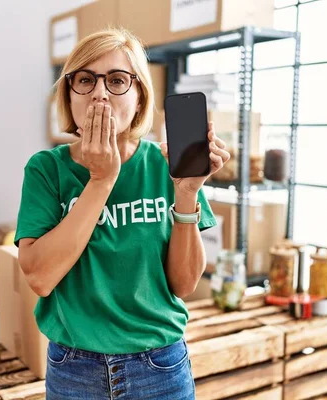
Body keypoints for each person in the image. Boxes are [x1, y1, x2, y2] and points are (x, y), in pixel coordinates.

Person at [14, 28, 230, 399]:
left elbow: (184, 284)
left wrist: (187, 194)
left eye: (116, 80)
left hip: (159, 369)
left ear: (139, 96)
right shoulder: (46, 169)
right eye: (85, 80)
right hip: (74, 371)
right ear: (69, 94)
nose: (99, 92)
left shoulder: (166, 166)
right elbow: (40, 277)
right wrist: (101, 179)